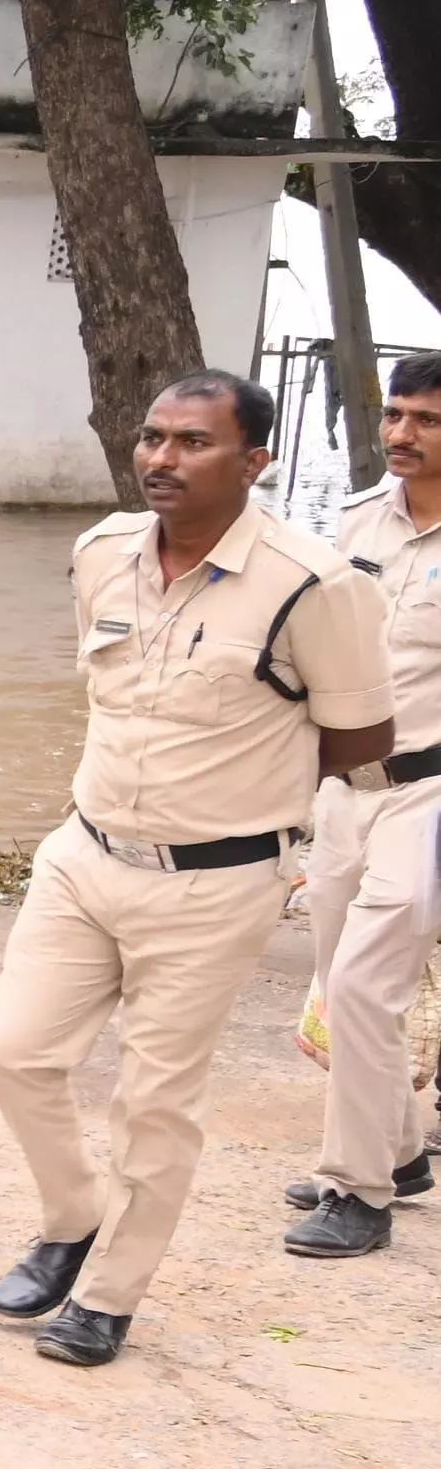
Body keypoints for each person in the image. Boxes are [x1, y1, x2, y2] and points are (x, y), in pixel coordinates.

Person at [0, 371, 391, 1366]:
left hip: (214, 884)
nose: (162, 458)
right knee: (15, 1053)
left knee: (154, 1101)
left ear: (255, 460)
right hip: (82, 855)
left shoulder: (314, 585)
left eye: (193, 442)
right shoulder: (101, 552)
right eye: (154, 437)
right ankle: (71, 1219)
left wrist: (251, 811)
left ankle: (109, 1294)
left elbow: (359, 740)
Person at [284, 353, 441, 1256]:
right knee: (337, 976)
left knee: (361, 985)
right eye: (394, 416)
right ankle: (403, 1149)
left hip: (429, 794)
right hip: (345, 792)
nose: (401, 435)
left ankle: (358, 1190)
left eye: (425, 419)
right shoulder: (352, 524)